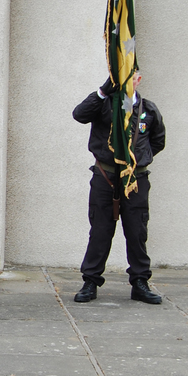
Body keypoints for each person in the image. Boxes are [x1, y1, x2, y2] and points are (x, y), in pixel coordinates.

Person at [72, 70, 165, 304]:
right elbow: (79, 115)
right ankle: (90, 282)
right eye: (122, 76)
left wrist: (138, 160)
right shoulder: (104, 106)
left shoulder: (148, 109)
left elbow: (158, 141)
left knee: (137, 231)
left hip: (135, 181)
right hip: (105, 177)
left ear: (139, 80)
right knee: (100, 230)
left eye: (131, 77)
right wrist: (103, 92)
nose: (128, 82)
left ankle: (140, 282)